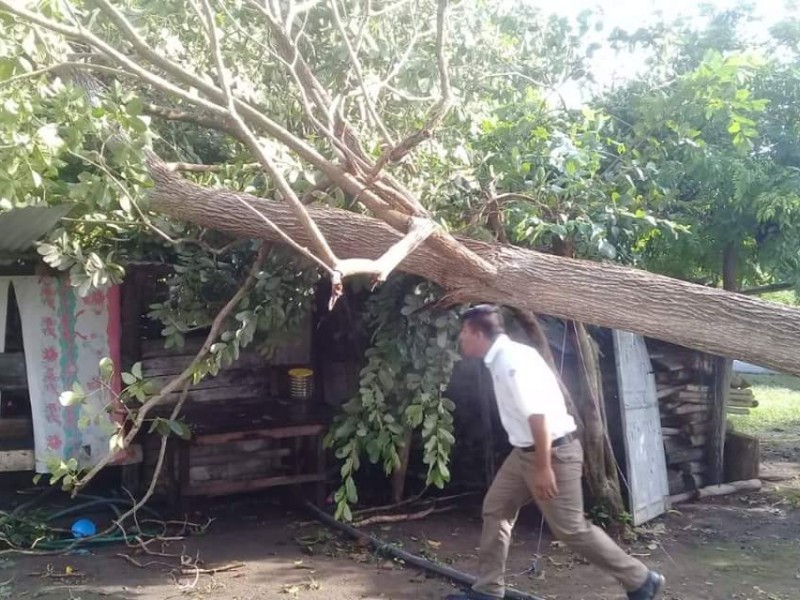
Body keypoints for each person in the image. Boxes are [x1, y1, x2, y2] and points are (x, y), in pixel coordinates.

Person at [446, 305, 664, 600]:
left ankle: (640, 579)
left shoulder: (512, 361)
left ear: (478, 333)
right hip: (525, 452)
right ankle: (488, 590)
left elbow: (539, 415)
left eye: (463, 333)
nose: (460, 339)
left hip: (551, 453)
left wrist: (543, 467)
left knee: (571, 529)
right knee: (496, 508)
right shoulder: (500, 359)